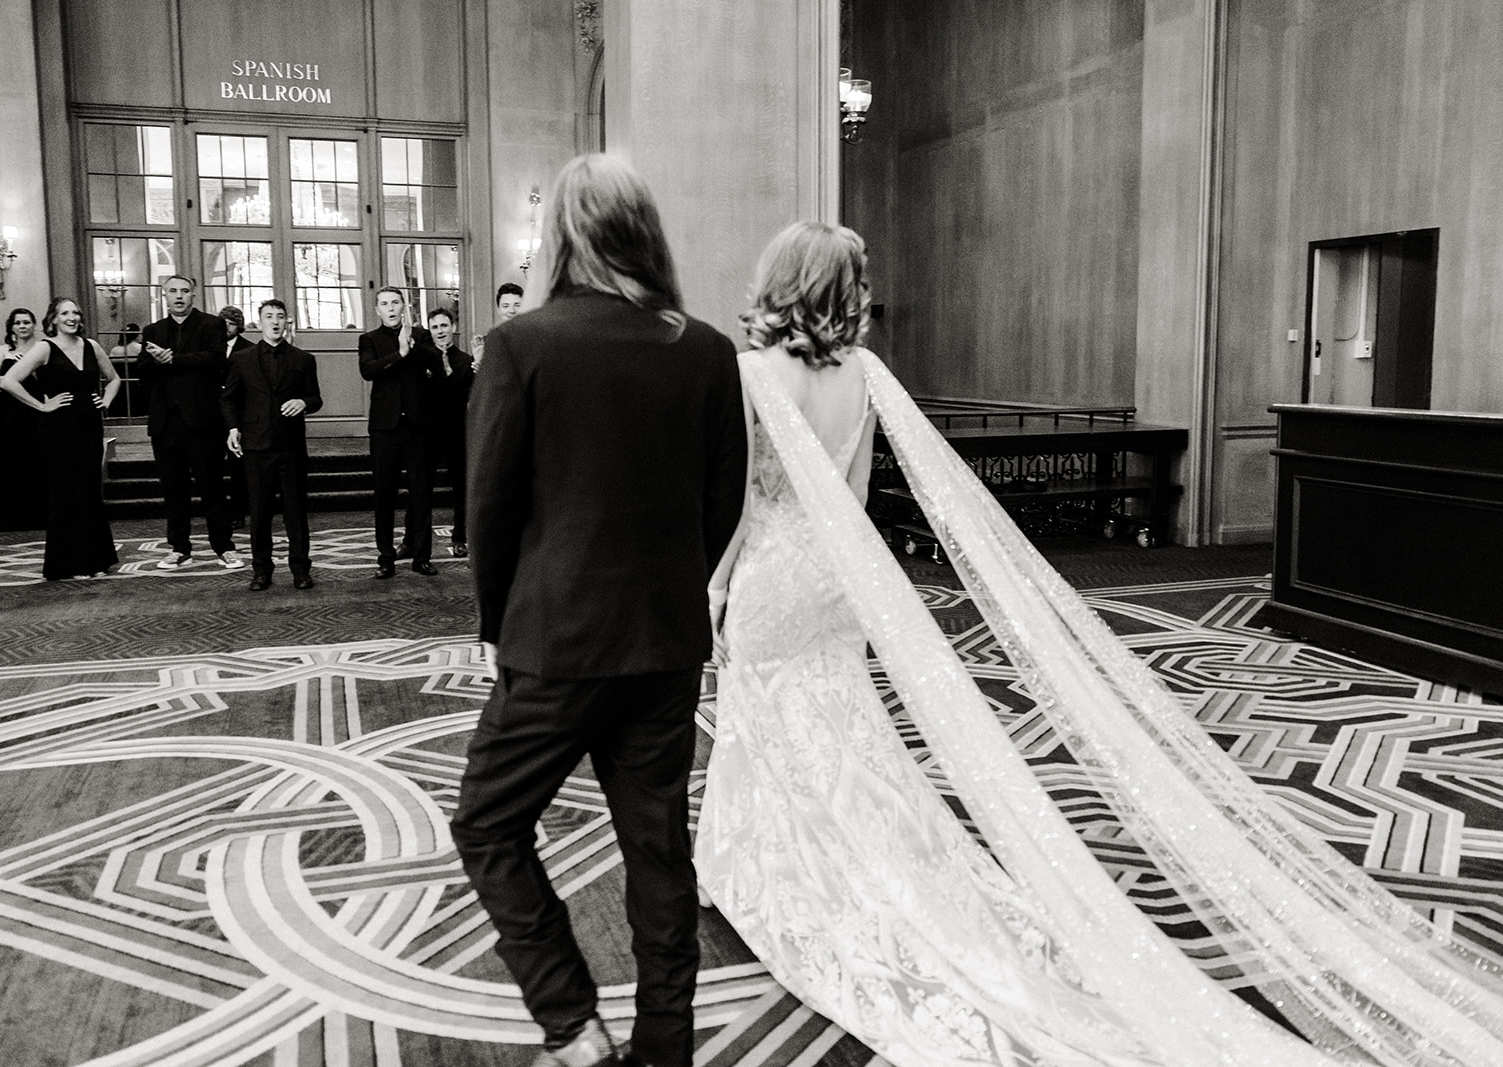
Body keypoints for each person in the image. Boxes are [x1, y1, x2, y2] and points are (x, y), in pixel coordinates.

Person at [695, 222, 1503, 1067]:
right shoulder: (863, 374)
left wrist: (716, 585)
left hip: (772, 573)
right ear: (842, 290)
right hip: (834, 576)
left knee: (772, 717)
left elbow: (742, 502)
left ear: (780, 282)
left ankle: (772, 864)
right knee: (843, 719)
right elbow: (855, 495)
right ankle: (868, 855)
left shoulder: (752, 375)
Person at [453, 154, 747, 1067]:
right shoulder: (704, 348)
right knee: (658, 852)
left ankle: (573, 1025)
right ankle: (666, 1049)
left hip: (555, 641)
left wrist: (500, 625)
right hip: (663, 642)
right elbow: (722, 499)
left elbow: (488, 510)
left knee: (488, 824)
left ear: (560, 238)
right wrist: (669, 584)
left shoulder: (521, 345)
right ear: (645, 231)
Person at [0, 297, 120, 581]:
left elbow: (113, 378)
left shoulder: (92, 346)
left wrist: (105, 401)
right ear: (53, 318)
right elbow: (8, 381)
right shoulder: (44, 348)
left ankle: (95, 559)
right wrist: (42, 405)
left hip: (89, 426)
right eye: (65, 313)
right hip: (58, 429)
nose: (72, 317)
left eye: (76, 312)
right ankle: (69, 563)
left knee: (89, 490)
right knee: (66, 492)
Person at [138, 275, 241, 570]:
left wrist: (173, 360)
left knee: (212, 489)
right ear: (164, 296)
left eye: (184, 291)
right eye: (173, 291)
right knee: (174, 490)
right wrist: (156, 361)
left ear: (194, 295)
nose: (179, 296)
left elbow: (216, 360)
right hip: (165, 423)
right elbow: (142, 370)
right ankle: (179, 548)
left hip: (203, 421)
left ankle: (224, 546)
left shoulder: (212, 325)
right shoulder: (153, 330)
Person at [222, 299, 321, 592]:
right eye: (269, 317)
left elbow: (316, 398)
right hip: (256, 445)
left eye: (280, 317)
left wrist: (304, 402)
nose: (275, 322)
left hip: (290, 446)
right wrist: (232, 428)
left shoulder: (304, 359)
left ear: (286, 321)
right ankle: (261, 571)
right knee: (259, 511)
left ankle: (301, 570)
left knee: (296, 512)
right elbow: (227, 399)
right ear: (259, 322)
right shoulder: (242, 359)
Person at [358, 287, 440, 578]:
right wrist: (399, 353)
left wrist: (413, 347)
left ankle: (422, 556)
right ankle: (385, 558)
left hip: (418, 428)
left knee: (421, 495)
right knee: (384, 496)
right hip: (385, 429)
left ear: (404, 306)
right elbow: (368, 370)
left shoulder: (421, 335)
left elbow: (437, 366)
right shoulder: (368, 339)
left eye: (395, 302)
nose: (390, 308)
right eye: (384, 304)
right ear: (377, 310)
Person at [0, 307, 48, 530]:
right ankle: (9, 517)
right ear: (11, 327)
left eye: (26, 322)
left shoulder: (43, 349)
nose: (22, 326)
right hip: (9, 411)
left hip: (35, 407)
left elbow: (49, 381)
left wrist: (30, 369)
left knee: (35, 457)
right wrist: (15, 373)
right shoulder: (2, 351)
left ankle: (37, 514)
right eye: (18, 323)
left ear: (34, 325)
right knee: (9, 458)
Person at [426, 306, 473, 557]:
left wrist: (447, 373)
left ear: (452, 328)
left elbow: (464, 396)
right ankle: (414, 541)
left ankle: (459, 537)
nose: (440, 331)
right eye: (435, 327)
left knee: (461, 487)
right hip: (428, 432)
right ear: (430, 331)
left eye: (444, 326)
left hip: (456, 432)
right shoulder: (422, 357)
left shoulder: (465, 361)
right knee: (420, 487)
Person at [217, 306, 252, 527]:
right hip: (212, 413)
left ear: (238, 325)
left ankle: (238, 512)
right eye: (223, 323)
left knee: (238, 468)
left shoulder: (249, 348)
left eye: (230, 323)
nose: (226, 328)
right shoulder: (211, 347)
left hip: (238, 413)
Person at [470, 282, 524, 369]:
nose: (512, 310)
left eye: (517, 305)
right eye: (506, 306)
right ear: (499, 310)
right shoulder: (487, 343)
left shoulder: (535, 339)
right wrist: (479, 363)